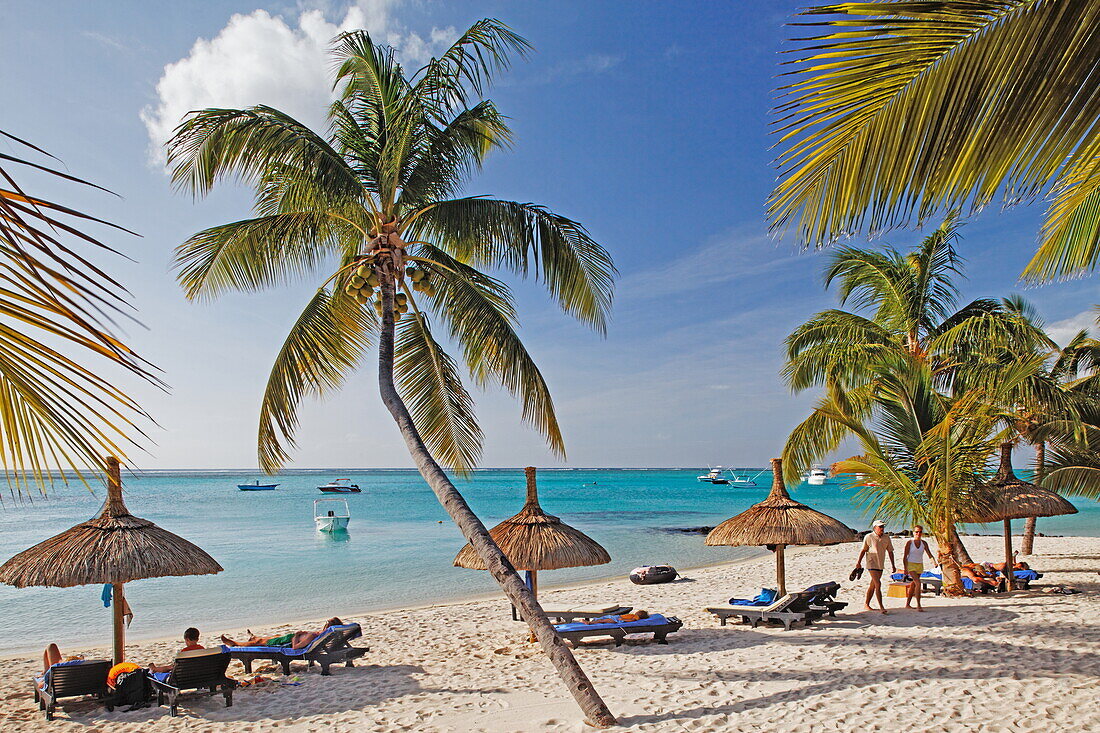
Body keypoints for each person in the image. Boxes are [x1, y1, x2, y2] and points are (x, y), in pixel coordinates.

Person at [854, 520, 896, 614]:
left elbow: (890, 551)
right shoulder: (869, 537)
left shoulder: (886, 538)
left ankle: (866, 604)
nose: (882, 528)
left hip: (880, 564)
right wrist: (858, 562)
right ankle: (881, 607)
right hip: (871, 563)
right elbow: (863, 550)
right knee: (878, 584)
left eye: (883, 527)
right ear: (875, 528)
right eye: (880, 527)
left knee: (872, 585)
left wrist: (893, 565)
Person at [220, 618, 343, 650]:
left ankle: (235, 644)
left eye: (327, 623)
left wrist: (297, 635)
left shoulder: (314, 636)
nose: (325, 624)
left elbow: (295, 647)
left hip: (288, 642)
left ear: (328, 626)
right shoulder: (321, 635)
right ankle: (255, 637)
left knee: (259, 643)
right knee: (270, 638)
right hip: (287, 638)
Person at [901, 526, 937, 611]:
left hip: (919, 565)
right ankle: (919, 605)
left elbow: (929, 554)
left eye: (920, 532)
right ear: (913, 532)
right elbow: (905, 556)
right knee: (918, 583)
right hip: (911, 564)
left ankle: (907, 604)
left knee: (913, 584)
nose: (918, 534)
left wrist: (934, 562)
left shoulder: (924, 543)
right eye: (916, 532)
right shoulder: (909, 543)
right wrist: (905, 568)